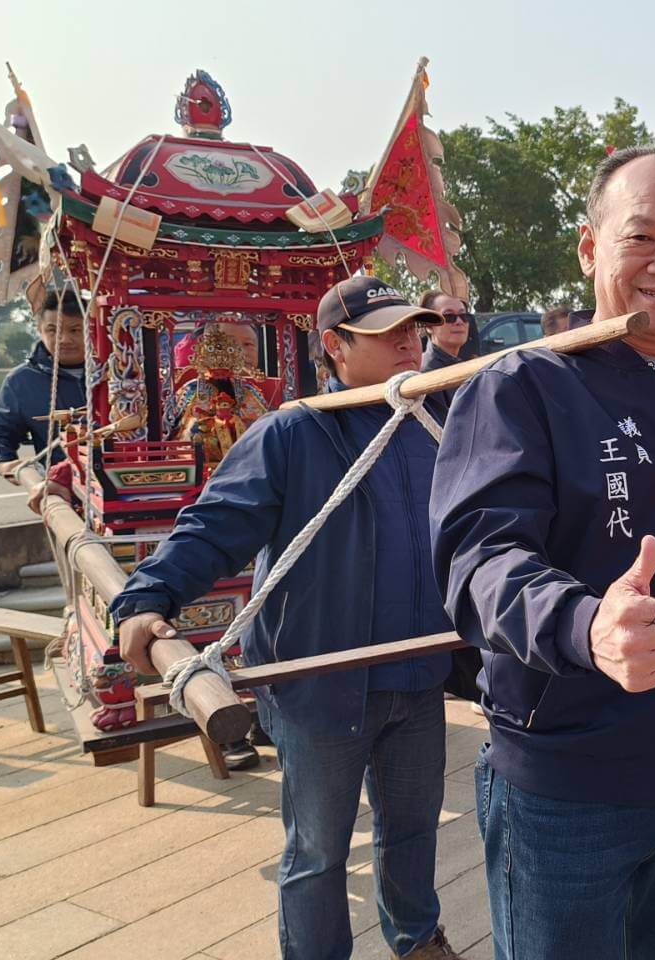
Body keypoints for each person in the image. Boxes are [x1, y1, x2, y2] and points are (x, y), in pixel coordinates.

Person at [432, 145, 655, 960]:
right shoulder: (522, 386)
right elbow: (477, 561)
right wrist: (587, 624)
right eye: (642, 238)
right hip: (565, 788)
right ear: (591, 247)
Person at [112, 276, 462, 960]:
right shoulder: (294, 432)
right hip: (320, 683)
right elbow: (213, 527)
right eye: (385, 331)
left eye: (412, 327)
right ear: (333, 346)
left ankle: (417, 938)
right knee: (319, 848)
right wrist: (148, 596)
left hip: (418, 675)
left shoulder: (430, 424)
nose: (407, 339)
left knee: (414, 828)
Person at [0, 291, 88, 510]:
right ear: (39, 330)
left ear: (93, 328)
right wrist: (7, 465)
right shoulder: (21, 381)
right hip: (62, 497)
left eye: (75, 330)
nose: (64, 339)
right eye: (53, 330)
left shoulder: (122, 373)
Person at [418, 290, 473, 421]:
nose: (459, 321)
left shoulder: (461, 364)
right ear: (429, 326)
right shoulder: (427, 374)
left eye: (463, 316)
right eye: (449, 317)